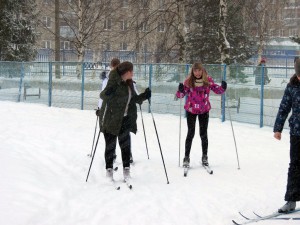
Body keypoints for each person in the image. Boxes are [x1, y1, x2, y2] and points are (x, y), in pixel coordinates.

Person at [98, 61, 151, 180]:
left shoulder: (129, 83)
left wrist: (145, 96)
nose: (133, 73)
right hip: (111, 119)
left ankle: (126, 170)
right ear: (126, 72)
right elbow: (103, 95)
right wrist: (109, 92)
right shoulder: (113, 80)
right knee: (110, 147)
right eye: (131, 71)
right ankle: (109, 171)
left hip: (125, 119)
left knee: (125, 146)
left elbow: (134, 99)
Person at [176, 62, 227, 167]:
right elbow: (180, 95)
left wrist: (223, 88)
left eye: (199, 70)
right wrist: (180, 90)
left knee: (203, 134)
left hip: (204, 110)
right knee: (190, 133)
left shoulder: (208, 80)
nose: (197, 73)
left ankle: (204, 156)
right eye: (195, 71)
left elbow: (217, 90)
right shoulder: (188, 81)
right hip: (191, 110)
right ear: (192, 71)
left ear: (202, 70)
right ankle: (186, 157)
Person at [274, 57, 300, 213]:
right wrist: (278, 128)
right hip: (297, 132)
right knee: (295, 166)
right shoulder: (292, 86)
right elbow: (284, 107)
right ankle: (291, 200)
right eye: (298, 74)